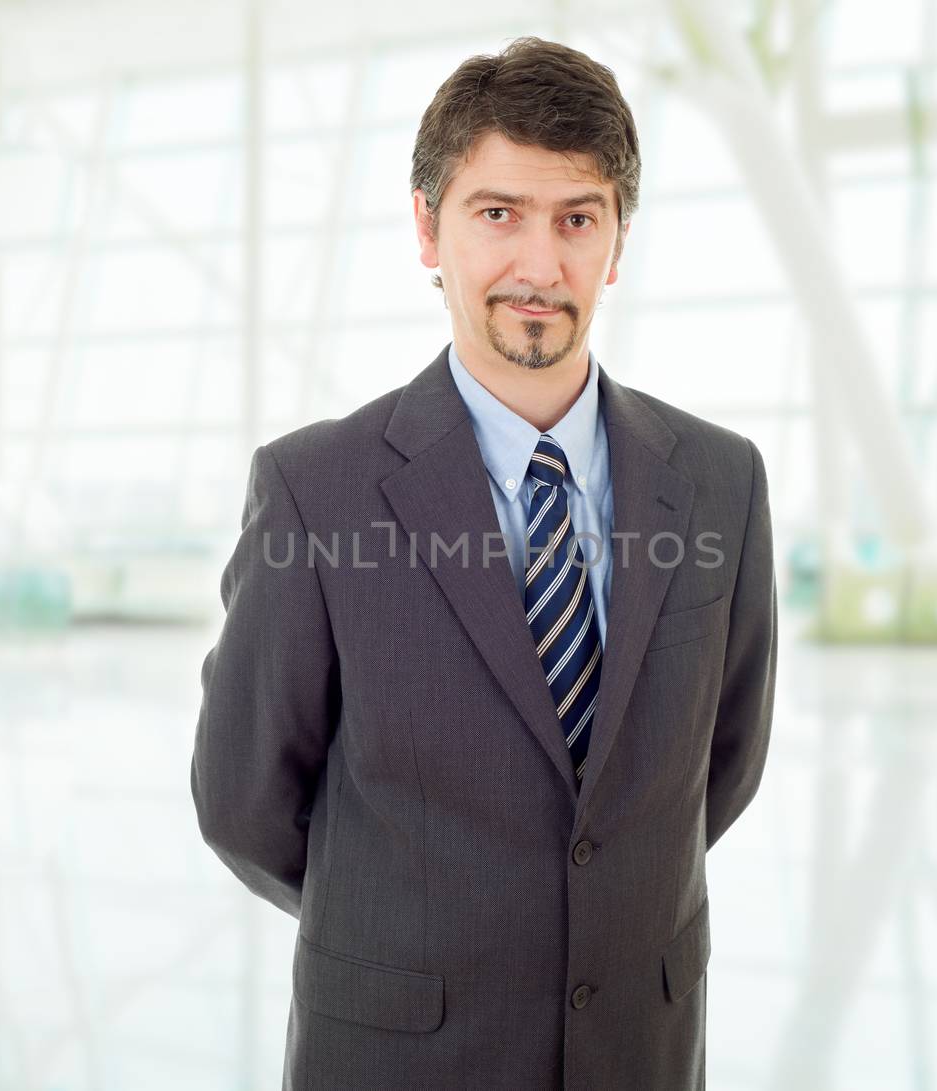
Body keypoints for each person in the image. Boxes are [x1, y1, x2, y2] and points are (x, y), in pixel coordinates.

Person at [190, 35, 777, 1090]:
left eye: (576, 218)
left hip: (637, 1053)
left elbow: (719, 766)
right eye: (497, 213)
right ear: (429, 227)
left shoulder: (722, 483)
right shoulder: (315, 491)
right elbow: (241, 799)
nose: (539, 266)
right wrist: (405, 925)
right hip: (399, 1049)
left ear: (618, 241)